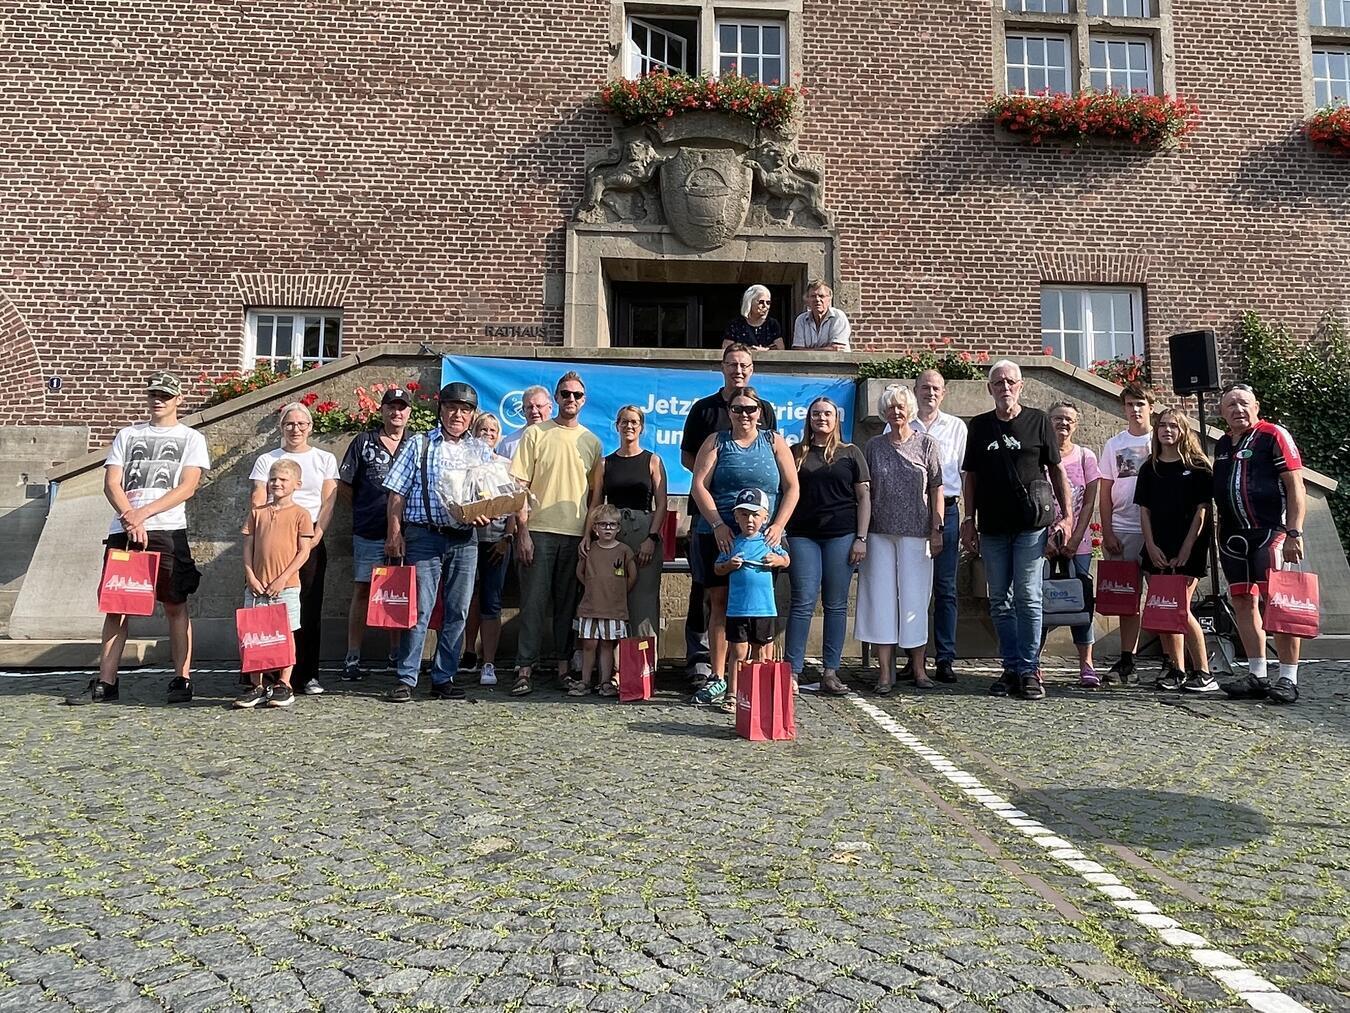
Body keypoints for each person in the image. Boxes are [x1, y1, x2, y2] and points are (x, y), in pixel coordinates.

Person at [67, 373, 210, 706]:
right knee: (117, 606)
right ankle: (106, 681)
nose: (158, 400)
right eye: (153, 395)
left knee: (175, 604)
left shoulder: (190, 438)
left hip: (167, 528)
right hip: (124, 529)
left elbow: (187, 486)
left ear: (178, 399)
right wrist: (130, 518)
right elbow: (112, 483)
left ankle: (182, 678)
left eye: (165, 395)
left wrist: (142, 516)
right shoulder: (127, 435)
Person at [961, 360, 1073, 700]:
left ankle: (1029, 669)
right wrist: (969, 519)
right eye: (998, 383)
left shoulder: (1038, 421)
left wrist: (1066, 516)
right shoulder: (979, 426)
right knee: (1000, 600)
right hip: (993, 527)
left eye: (1010, 381)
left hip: (1031, 526)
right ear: (990, 389)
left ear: (1021, 386)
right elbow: (972, 477)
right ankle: (1010, 667)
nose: (1004, 387)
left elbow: (1057, 471)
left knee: (1028, 595)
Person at [690, 386, 799, 707]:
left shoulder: (775, 442)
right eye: (737, 409)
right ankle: (719, 678)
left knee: (761, 609)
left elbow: (792, 488)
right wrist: (718, 524)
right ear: (730, 412)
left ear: (760, 412)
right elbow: (699, 485)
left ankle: (756, 683)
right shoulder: (715, 441)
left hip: (765, 539)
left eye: (750, 409)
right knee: (720, 605)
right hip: (720, 536)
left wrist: (778, 525)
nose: (744, 414)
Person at [382, 381, 491, 703]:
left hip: (465, 539)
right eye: (452, 408)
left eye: (465, 410)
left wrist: (488, 512)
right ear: (441, 410)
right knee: (419, 609)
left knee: (458, 610)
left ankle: (444, 677)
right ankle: (406, 677)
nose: (458, 414)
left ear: (472, 416)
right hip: (424, 536)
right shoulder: (419, 444)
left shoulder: (480, 451)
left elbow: (491, 494)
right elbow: (396, 492)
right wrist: (394, 533)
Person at [680, 344, 778, 687]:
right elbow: (689, 461)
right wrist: (720, 475)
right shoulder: (704, 411)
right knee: (708, 595)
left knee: (756, 598)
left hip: (758, 530)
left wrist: (772, 522)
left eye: (745, 365)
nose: (738, 370)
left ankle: (752, 678)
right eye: (732, 364)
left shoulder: (766, 412)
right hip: (715, 523)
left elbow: (782, 474)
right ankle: (702, 665)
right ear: (722, 367)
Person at [510, 371, 604, 696]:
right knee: (533, 604)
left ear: (584, 400)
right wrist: (522, 532)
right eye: (565, 394)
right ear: (557, 397)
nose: (571, 400)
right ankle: (524, 668)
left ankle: (564, 668)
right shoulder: (535, 434)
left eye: (577, 395)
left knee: (568, 606)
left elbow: (595, 497)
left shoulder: (591, 442)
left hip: (575, 536)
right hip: (538, 531)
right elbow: (518, 488)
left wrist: (588, 537)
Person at [1212, 383, 1307, 705]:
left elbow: (1295, 486)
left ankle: (1288, 678)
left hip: (1271, 533)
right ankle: (1257, 673)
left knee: (1277, 605)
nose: (1238, 410)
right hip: (1233, 538)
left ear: (1256, 406)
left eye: (1243, 403)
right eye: (1230, 405)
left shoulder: (1272, 435)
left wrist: (1294, 532)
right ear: (1222, 412)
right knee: (1242, 602)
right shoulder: (1224, 443)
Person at [855, 385, 944, 693]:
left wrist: (937, 528)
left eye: (900, 406)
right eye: (890, 407)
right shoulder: (874, 446)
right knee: (880, 601)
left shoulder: (927, 445)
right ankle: (884, 673)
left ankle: (919, 670)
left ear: (910, 409)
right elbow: (865, 492)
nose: (896, 412)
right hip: (879, 533)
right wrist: (862, 535)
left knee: (915, 601)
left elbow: (936, 488)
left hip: (917, 533)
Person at [249, 402, 338, 696]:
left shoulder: (324, 458)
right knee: (264, 606)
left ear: (310, 427)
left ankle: (305, 674)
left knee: (307, 607)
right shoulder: (267, 459)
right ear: (281, 427)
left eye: (302, 424)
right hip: (272, 536)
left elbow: (328, 502)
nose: (295, 429)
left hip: (308, 533)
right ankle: (264, 673)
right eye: (290, 424)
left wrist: (316, 536)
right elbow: (258, 497)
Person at [784, 397, 869, 697]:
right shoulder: (795, 453)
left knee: (836, 605)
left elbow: (864, 498)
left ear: (837, 419)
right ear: (808, 419)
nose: (821, 418)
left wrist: (861, 537)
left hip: (842, 535)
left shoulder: (851, 453)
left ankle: (830, 672)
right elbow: (783, 493)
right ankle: (791, 672)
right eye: (816, 413)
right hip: (802, 535)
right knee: (803, 601)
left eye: (828, 414)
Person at [1135, 406, 1216, 693]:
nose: (1167, 430)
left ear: (1184, 431)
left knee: (1181, 609)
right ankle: (1176, 668)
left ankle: (1203, 671)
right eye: (1163, 426)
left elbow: (1202, 512)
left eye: (1174, 425)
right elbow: (1143, 511)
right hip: (1157, 547)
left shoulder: (1197, 467)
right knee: (1162, 610)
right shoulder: (1149, 467)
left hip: (1188, 548)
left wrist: (1186, 548)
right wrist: (1150, 545)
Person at [337, 386, 412, 682]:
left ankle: (396, 654)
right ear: (381, 410)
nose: (396, 412)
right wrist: (361, 508)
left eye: (402, 407)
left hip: (408, 533)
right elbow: (343, 483)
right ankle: (352, 656)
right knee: (363, 590)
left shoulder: (416, 444)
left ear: (409, 413)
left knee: (399, 593)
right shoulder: (363, 442)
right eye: (391, 407)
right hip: (368, 531)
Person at [235, 459, 314, 710]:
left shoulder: (301, 514)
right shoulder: (257, 513)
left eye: (283, 480)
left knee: (286, 633)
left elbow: (304, 551)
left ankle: (284, 683)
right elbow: (247, 547)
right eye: (273, 479)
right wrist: (250, 576)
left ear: (296, 484)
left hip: (287, 586)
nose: (276, 484)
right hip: (257, 585)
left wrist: (283, 578)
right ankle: (256, 684)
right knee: (253, 634)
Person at [584, 405, 668, 637]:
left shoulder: (653, 461)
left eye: (634, 422)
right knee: (612, 592)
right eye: (624, 422)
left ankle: (643, 665)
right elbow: (596, 503)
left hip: (644, 530)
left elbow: (661, 504)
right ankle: (615, 666)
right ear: (617, 426)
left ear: (641, 428)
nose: (629, 426)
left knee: (644, 597)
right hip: (613, 532)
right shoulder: (604, 463)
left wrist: (652, 537)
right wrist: (587, 535)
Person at [911, 369, 968, 682]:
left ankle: (945, 657)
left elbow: (964, 474)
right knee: (911, 589)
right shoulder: (905, 425)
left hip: (947, 512)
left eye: (935, 388)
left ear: (943, 393)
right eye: (924, 388)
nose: (929, 393)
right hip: (910, 514)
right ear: (915, 390)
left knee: (945, 589)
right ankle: (912, 656)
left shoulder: (956, 427)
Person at [1098, 383, 1155, 686]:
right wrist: (1107, 530)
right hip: (1123, 527)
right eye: (1130, 404)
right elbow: (1105, 490)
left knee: (1161, 596)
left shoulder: (1161, 439)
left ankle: (1175, 662)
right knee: (1126, 600)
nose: (1135, 410)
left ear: (1150, 407)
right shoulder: (1114, 445)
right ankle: (1127, 659)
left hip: (1157, 531)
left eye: (1141, 404)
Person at [715, 488, 791, 711]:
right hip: (738, 610)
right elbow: (717, 568)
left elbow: (787, 560)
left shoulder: (769, 541)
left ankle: (757, 692)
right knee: (738, 652)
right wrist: (729, 566)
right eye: (745, 515)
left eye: (755, 515)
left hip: (764, 610)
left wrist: (776, 560)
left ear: (765, 518)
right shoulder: (732, 543)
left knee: (760, 651)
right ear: (736, 517)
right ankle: (732, 694)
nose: (750, 520)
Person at [1046, 401, 1101, 687]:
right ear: (1048, 421)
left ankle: (1086, 664)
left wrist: (1077, 536)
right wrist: (1046, 539)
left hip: (1077, 545)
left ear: (1076, 424)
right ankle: (1035, 663)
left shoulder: (1085, 457)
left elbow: (1090, 501)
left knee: (1082, 605)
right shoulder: (1041, 456)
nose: (1063, 424)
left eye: (1068, 420)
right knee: (1039, 603)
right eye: (1057, 419)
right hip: (1044, 544)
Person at [463, 412, 516, 687]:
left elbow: (515, 505)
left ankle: (489, 662)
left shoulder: (505, 465)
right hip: (466, 540)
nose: (488, 433)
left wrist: (507, 537)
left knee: (492, 602)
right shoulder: (465, 464)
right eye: (482, 428)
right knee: (464, 599)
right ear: (474, 432)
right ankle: (467, 653)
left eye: (493, 429)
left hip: (497, 541)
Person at [572, 504, 637, 697]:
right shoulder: (589, 549)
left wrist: (618, 591)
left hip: (614, 608)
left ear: (618, 528)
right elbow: (580, 572)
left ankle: (605, 682)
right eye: (603, 524)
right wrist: (593, 588)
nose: (608, 528)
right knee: (589, 644)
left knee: (608, 645)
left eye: (612, 525)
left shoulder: (624, 550)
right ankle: (584, 681)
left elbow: (632, 576)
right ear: (595, 528)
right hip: (590, 607)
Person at [791, 280, 852, 351]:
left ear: (829, 299)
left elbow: (836, 349)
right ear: (807, 300)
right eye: (813, 296)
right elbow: (798, 350)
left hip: (836, 361)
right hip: (810, 362)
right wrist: (826, 349)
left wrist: (808, 350)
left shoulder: (838, 317)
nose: (817, 299)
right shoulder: (801, 320)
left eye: (821, 296)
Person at [721, 284, 784, 350]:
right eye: (761, 302)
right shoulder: (735, 324)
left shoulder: (772, 324)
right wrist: (750, 349)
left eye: (768, 303)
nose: (765, 306)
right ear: (749, 302)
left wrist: (766, 349)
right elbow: (726, 349)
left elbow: (781, 348)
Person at [499, 384, 552, 458]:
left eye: (539, 406)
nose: (534, 411)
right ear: (524, 410)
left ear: (550, 408)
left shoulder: (561, 439)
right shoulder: (509, 443)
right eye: (530, 407)